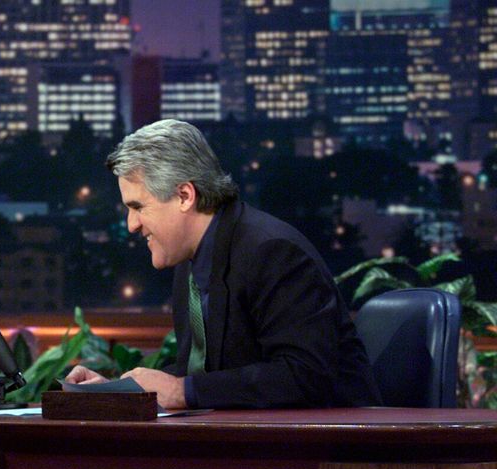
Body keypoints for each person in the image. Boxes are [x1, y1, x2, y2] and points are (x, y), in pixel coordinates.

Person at [65, 119, 380, 409]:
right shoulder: (190, 265)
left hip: (327, 456)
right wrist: (122, 391)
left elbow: (304, 375)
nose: (131, 224)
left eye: (138, 207)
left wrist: (182, 392)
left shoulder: (272, 252)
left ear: (185, 196)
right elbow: (207, 373)